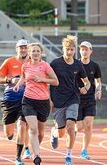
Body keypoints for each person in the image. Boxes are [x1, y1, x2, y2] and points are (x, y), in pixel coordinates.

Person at [13, 43, 59, 165]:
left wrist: (42, 79)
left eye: (38, 51)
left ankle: (35, 151)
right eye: (33, 51)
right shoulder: (25, 66)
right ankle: (37, 156)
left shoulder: (45, 66)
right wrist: (18, 85)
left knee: (40, 131)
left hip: (43, 102)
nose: (35, 53)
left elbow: (56, 81)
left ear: (41, 53)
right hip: (28, 100)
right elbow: (23, 78)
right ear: (29, 52)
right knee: (32, 129)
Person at [49, 35, 90, 165]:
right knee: (61, 132)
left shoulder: (78, 64)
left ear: (74, 50)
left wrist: (86, 88)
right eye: (67, 49)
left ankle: (68, 156)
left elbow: (87, 82)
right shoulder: (55, 63)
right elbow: (48, 82)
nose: (70, 52)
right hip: (58, 100)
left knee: (71, 127)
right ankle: (54, 133)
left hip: (73, 98)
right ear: (63, 49)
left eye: (72, 49)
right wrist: (49, 99)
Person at [0, 39, 31, 164]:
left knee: (22, 125)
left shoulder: (33, 62)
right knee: (9, 132)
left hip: (26, 100)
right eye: (21, 47)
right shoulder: (9, 62)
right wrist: (10, 80)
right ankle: (10, 133)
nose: (23, 49)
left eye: (25, 47)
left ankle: (18, 157)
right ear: (17, 49)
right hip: (10, 100)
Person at [76, 41, 102, 160]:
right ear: (80, 51)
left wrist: (98, 90)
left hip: (90, 99)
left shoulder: (94, 66)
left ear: (91, 51)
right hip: (76, 99)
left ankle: (84, 150)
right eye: (82, 49)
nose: (84, 51)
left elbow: (97, 81)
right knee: (79, 127)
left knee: (89, 125)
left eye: (86, 49)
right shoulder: (76, 64)